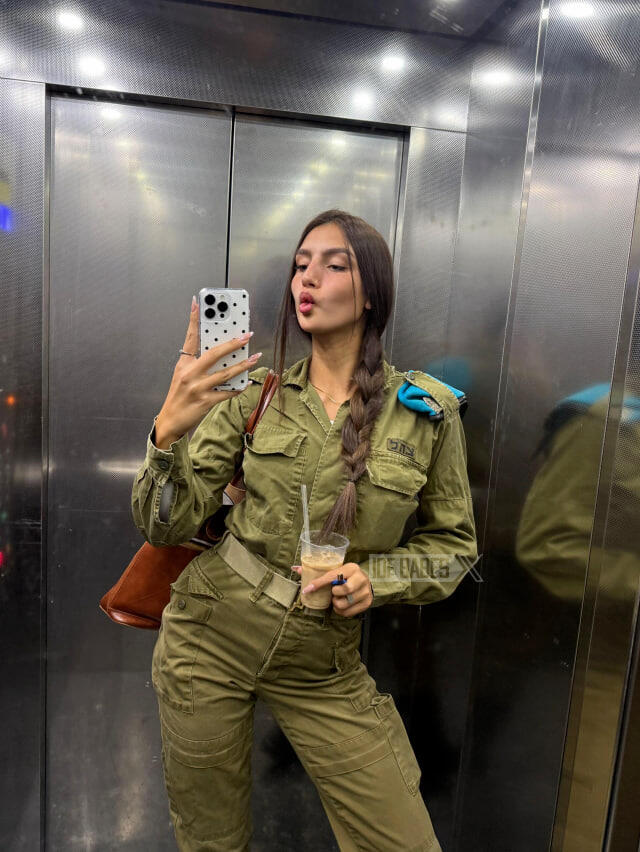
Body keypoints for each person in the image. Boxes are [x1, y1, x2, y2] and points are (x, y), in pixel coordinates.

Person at [131, 209, 478, 852]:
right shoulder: (253, 395)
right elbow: (164, 522)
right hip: (209, 637)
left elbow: (454, 549)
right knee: (211, 841)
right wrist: (168, 430)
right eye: (299, 265)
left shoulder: (425, 414)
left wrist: (376, 579)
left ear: (371, 293)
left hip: (324, 663)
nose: (306, 279)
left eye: (332, 264)